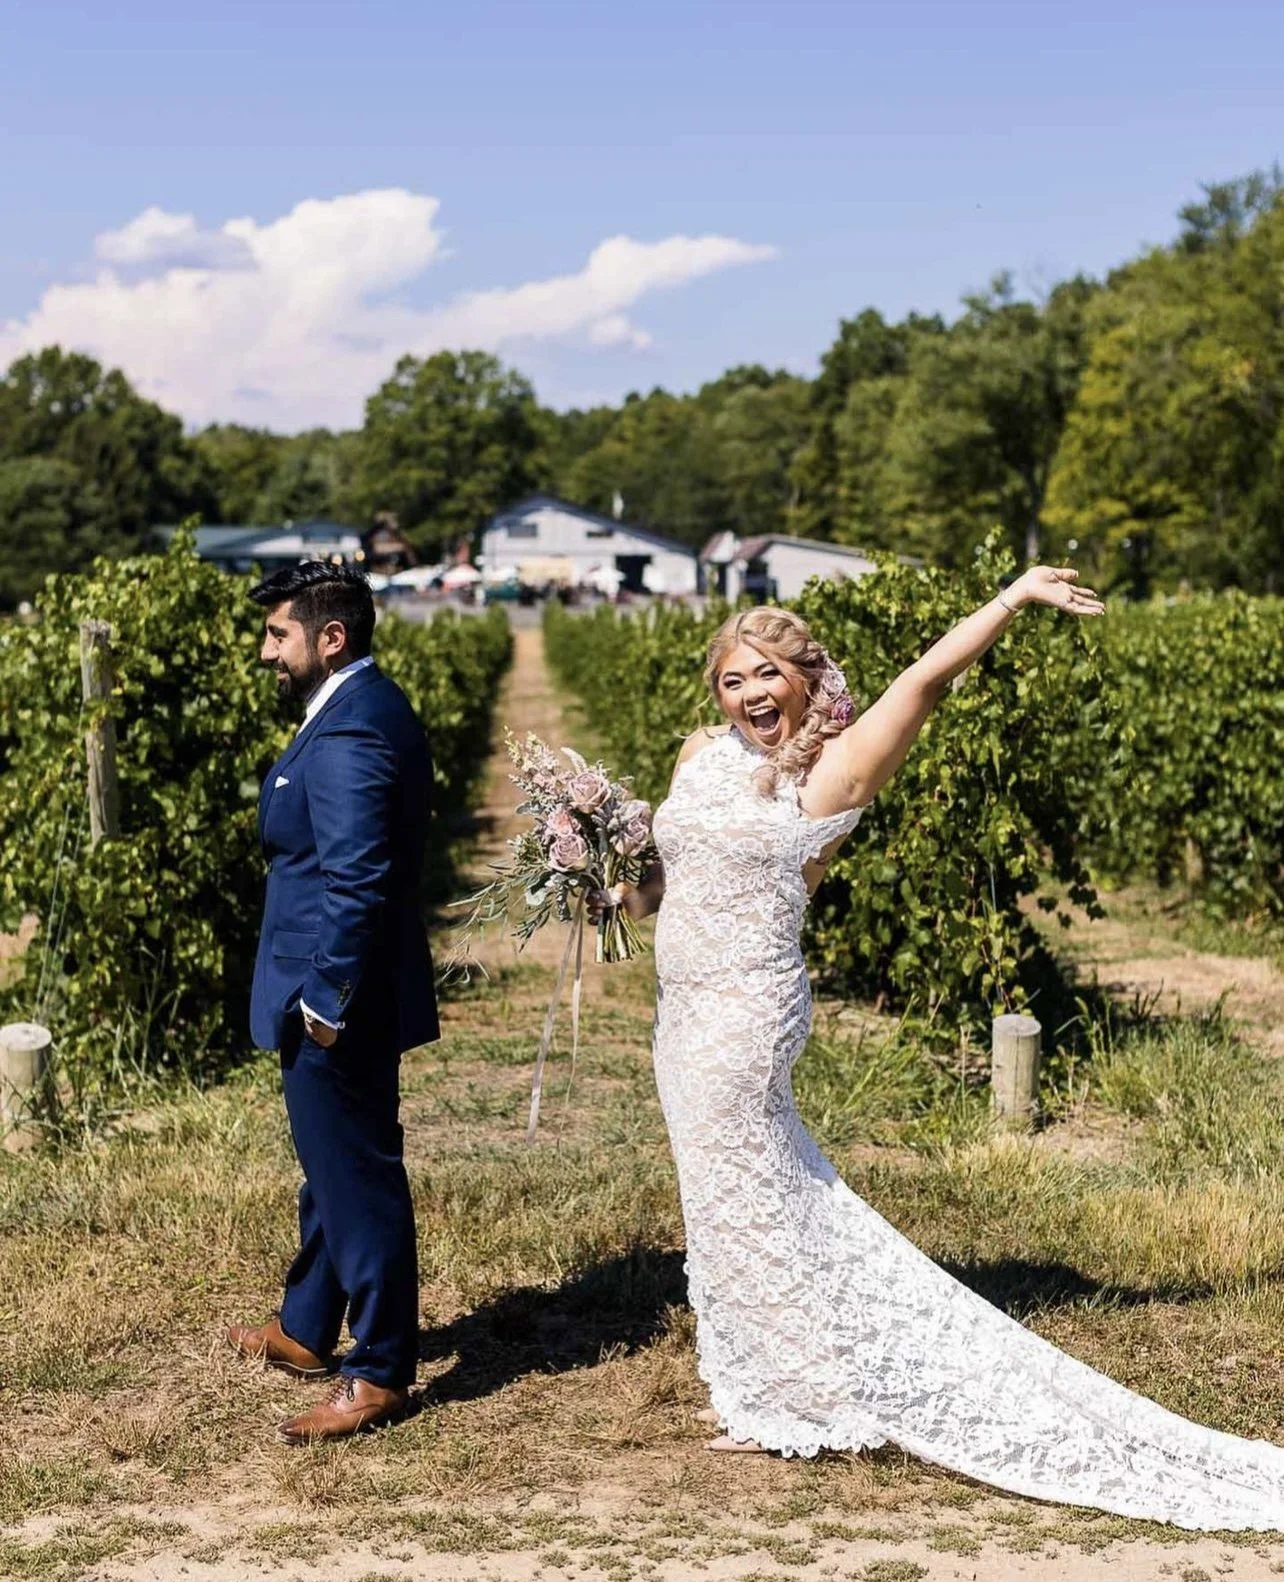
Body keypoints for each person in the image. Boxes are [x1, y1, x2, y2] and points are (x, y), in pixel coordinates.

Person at [591, 566, 1284, 1530]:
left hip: (747, 1010)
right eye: (732, 679)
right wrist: (604, 881)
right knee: (727, 1191)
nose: (749, 695)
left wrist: (1012, 598)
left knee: (753, 1180)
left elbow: (921, 680)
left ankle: (807, 1392)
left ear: (805, 679)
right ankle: (777, 1374)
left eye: (767, 677)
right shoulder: (697, 753)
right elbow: (666, 875)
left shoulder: (831, 771)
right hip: (683, 1006)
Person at [226, 562, 438, 1445]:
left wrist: (324, 1001)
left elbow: (356, 879)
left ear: (330, 638)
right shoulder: (359, 706)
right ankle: (309, 1329)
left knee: (357, 1176)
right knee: (334, 1163)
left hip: (334, 994)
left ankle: (380, 1367)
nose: (267, 651)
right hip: (335, 986)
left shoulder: (351, 730)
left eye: (279, 634)